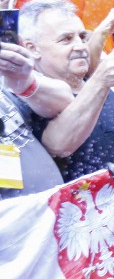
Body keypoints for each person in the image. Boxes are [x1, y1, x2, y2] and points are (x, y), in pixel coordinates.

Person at [18, 0, 114, 181]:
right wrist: (100, 82)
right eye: (66, 39)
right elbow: (58, 146)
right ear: (32, 49)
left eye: (82, 37)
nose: (80, 46)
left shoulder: (100, 86)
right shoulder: (27, 99)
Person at [0, 42, 73, 199]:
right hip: (13, 219)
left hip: (55, 208)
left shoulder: (4, 73)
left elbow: (66, 101)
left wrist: (26, 83)